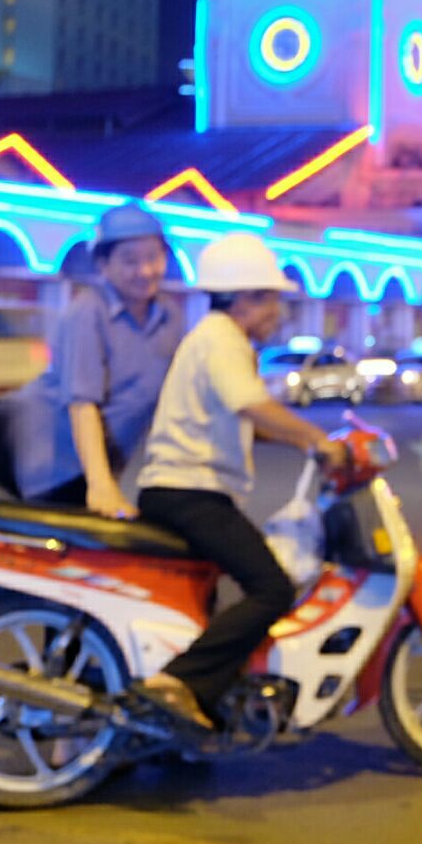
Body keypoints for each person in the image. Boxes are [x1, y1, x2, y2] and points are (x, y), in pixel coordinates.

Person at [130, 232, 346, 730]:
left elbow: (242, 421)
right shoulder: (222, 338)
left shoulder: (219, 338)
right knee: (271, 588)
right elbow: (252, 405)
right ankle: (179, 683)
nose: (278, 312)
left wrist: (302, 443)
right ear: (246, 298)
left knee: (209, 598)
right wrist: (318, 438)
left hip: (185, 489)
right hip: (190, 493)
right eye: (272, 299)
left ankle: (201, 707)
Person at [0, 201, 183, 514]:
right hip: (34, 444)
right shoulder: (87, 311)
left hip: (91, 457)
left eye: (153, 257)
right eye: (129, 260)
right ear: (103, 265)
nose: (145, 271)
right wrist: (101, 485)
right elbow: (82, 404)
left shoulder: (170, 317)